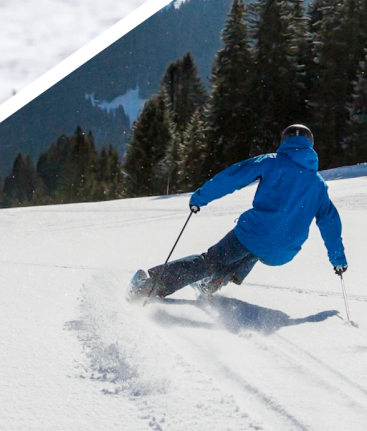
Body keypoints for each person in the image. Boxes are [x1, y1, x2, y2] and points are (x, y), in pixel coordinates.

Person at [129, 124, 345, 301]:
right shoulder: (318, 184)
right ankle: (213, 283)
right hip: (285, 250)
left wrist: (200, 198)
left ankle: (148, 288)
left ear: (285, 141)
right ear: (311, 145)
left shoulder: (272, 162)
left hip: (256, 233)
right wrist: (338, 260)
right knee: (255, 249)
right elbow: (330, 224)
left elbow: (232, 177)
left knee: (210, 260)